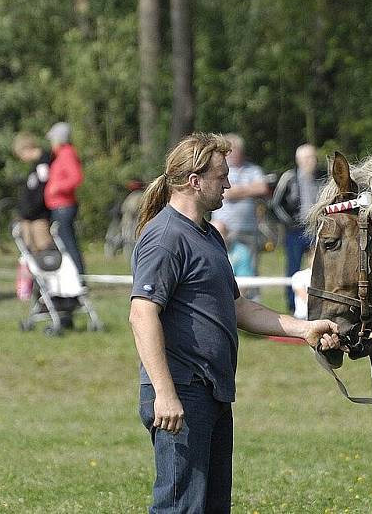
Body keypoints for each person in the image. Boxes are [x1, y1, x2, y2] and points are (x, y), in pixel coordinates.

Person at [129, 133, 339, 513]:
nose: (229, 183)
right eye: (221, 176)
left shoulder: (207, 235)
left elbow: (237, 307)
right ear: (195, 181)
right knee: (180, 508)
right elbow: (142, 313)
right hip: (181, 391)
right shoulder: (166, 236)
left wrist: (305, 328)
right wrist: (165, 393)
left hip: (211, 390)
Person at [208, 133, 268, 297]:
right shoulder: (219, 170)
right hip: (222, 229)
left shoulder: (253, 169)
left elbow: (262, 188)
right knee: (222, 265)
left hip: (248, 229)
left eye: (236, 151)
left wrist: (235, 191)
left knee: (250, 268)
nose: (233, 154)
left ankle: (252, 303)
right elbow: (226, 193)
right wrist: (247, 190)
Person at [270, 143, 324, 312]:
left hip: (318, 229)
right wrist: (290, 223)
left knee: (322, 267)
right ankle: (292, 306)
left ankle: (322, 304)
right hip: (295, 231)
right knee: (293, 268)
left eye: (313, 157)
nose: (311, 161)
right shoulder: (289, 177)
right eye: (307, 158)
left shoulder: (324, 176)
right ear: (298, 160)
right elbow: (276, 204)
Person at [44, 122, 85, 274]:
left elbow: (76, 177)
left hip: (64, 206)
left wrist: (57, 187)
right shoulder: (60, 155)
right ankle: (72, 275)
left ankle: (78, 276)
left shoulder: (67, 153)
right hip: (58, 206)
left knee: (68, 243)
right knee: (63, 242)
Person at [12, 132, 54, 252]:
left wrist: (31, 210)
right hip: (31, 214)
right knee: (30, 246)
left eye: (21, 154)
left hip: (39, 214)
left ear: (27, 148)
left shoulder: (43, 163)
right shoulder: (36, 165)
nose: (21, 158)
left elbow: (42, 189)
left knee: (44, 247)